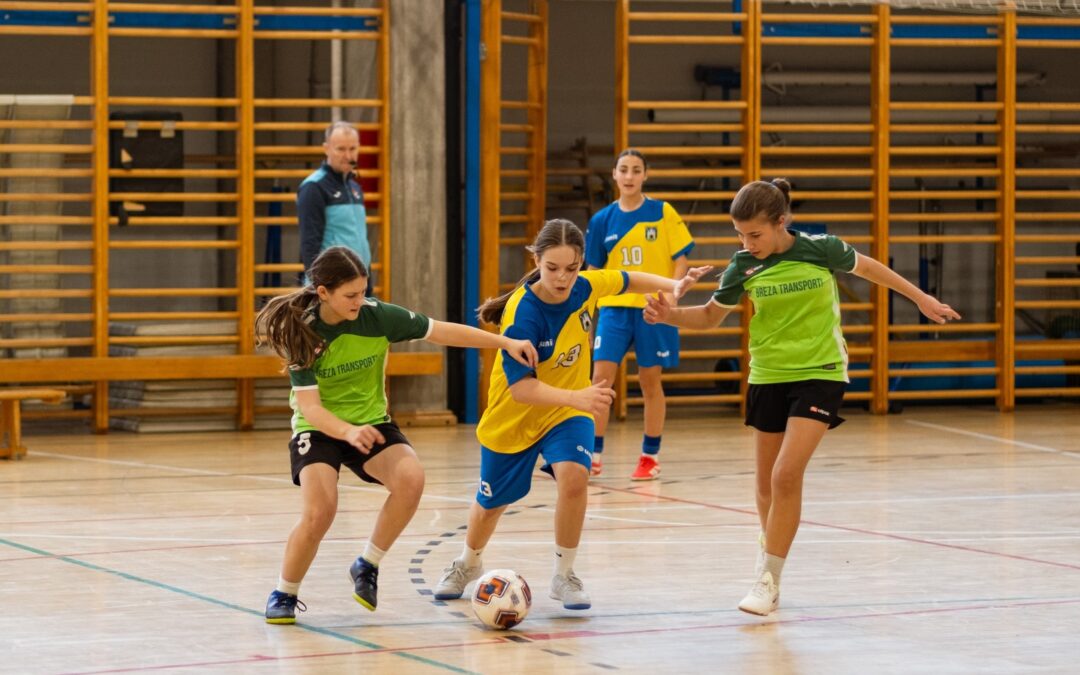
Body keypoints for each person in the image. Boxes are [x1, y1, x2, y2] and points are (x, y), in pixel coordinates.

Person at [643, 179, 961, 617]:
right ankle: (769, 548)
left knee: (785, 476)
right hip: (768, 374)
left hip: (820, 372)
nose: (747, 243)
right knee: (763, 486)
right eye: (740, 235)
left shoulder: (821, 249)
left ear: (781, 222)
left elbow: (871, 269)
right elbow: (711, 317)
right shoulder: (743, 266)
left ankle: (768, 579)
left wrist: (921, 298)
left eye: (755, 234)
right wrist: (669, 316)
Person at [432, 219, 709, 609]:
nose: (562, 278)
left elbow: (628, 279)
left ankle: (564, 575)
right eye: (552, 268)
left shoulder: (586, 287)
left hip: (567, 410)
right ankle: (468, 562)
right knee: (490, 505)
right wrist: (578, 397)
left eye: (571, 268)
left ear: (581, 264)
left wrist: (672, 285)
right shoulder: (523, 313)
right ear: (536, 260)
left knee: (576, 477)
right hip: (517, 415)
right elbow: (522, 389)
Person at [255, 246, 538, 625]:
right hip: (319, 429)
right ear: (323, 292)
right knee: (320, 511)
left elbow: (440, 331)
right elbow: (311, 409)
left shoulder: (377, 316)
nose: (360, 301)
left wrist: (505, 342)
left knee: (411, 479)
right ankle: (284, 592)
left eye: (363, 291)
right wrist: (347, 431)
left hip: (371, 422)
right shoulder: (303, 332)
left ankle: (367, 564)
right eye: (350, 295)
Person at [584, 149, 695, 480]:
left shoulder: (662, 212)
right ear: (614, 174)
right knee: (600, 380)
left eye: (636, 170)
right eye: (623, 169)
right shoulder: (601, 220)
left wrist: (671, 296)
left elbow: (681, 260)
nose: (629, 176)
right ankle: (592, 455)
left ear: (645, 175)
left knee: (650, 381)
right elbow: (593, 273)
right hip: (613, 309)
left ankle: (649, 456)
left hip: (652, 309)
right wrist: (584, 315)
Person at [298, 121, 370, 277]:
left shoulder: (355, 188)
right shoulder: (313, 187)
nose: (348, 156)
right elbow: (310, 246)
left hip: (358, 280)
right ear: (326, 149)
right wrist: (321, 286)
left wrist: (366, 282)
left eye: (352, 149)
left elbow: (361, 241)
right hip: (332, 284)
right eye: (341, 149)